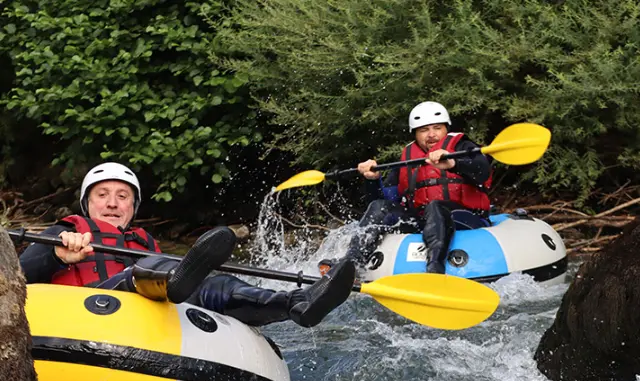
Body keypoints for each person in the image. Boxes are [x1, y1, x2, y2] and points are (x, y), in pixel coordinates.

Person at [20, 162, 355, 327]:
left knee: (217, 286)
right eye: (102, 195)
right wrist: (59, 255)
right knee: (142, 271)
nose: (112, 203)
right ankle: (175, 279)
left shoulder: (143, 241)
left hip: (146, 316)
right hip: (88, 314)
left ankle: (298, 304)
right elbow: (18, 276)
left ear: (132, 208)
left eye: (122, 197)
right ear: (87, 204)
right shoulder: (63, 232)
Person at [320, 101, 492, 275]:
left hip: (465, 217)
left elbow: (483, 171)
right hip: (423, 220)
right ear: (415, 134)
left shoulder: (463, 147)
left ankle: (435, 269)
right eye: (424, 130)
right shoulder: (408, 159)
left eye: (437, 128)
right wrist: (373, 180)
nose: (431, 135)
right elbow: (382, 203)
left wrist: (453, 163)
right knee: (380, 207)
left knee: (436, 206)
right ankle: (351, 264)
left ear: (446, 128)